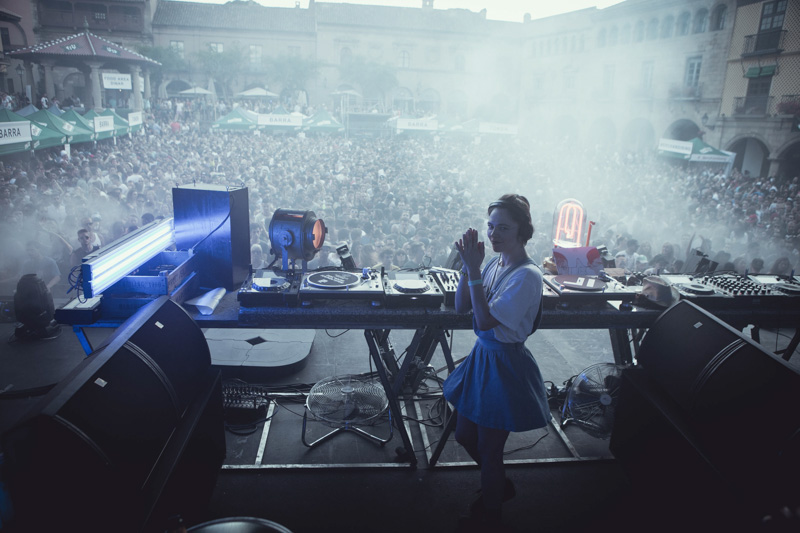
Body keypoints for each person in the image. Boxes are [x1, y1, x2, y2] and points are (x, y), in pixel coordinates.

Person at [443, 193, 550, 529]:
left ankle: (491, 514)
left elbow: (486, 320)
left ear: (523, 231)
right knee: (463, 435)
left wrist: (474, 269)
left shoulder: (527, 276)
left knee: (490, 450)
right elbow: (462, 307)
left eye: (503, 228)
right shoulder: (494, 263)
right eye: (490, 226)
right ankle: (498, 485)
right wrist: (468, 267)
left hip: (505, 365)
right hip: (483, 358)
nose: (493, 234)